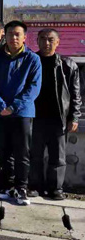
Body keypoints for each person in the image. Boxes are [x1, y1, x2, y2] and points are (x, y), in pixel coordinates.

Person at [0, 20, 42, 206]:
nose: (13, 37)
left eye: (17, 34)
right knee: (3, 151)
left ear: (25, 37)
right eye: (10, 34)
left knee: (22, 152)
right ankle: (6, 185)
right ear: (5, 35)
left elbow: (33, 88)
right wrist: (0, 105)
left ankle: (21, 187)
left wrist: (13, 107)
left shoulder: (32, 59)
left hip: (22, 113)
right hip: (0, 111)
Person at [29, 29, 82, 200]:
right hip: (34, 117)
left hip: (58, 118)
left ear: (57, 42)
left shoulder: (68, 65)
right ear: (37, 41)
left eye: (51, 40)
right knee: (34, 155)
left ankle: (55, 188)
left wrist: (74, 117)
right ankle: (34, 186)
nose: (46, 43)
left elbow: (75, 94)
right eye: (43, 39)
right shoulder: (31, 61)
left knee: (58, 157)